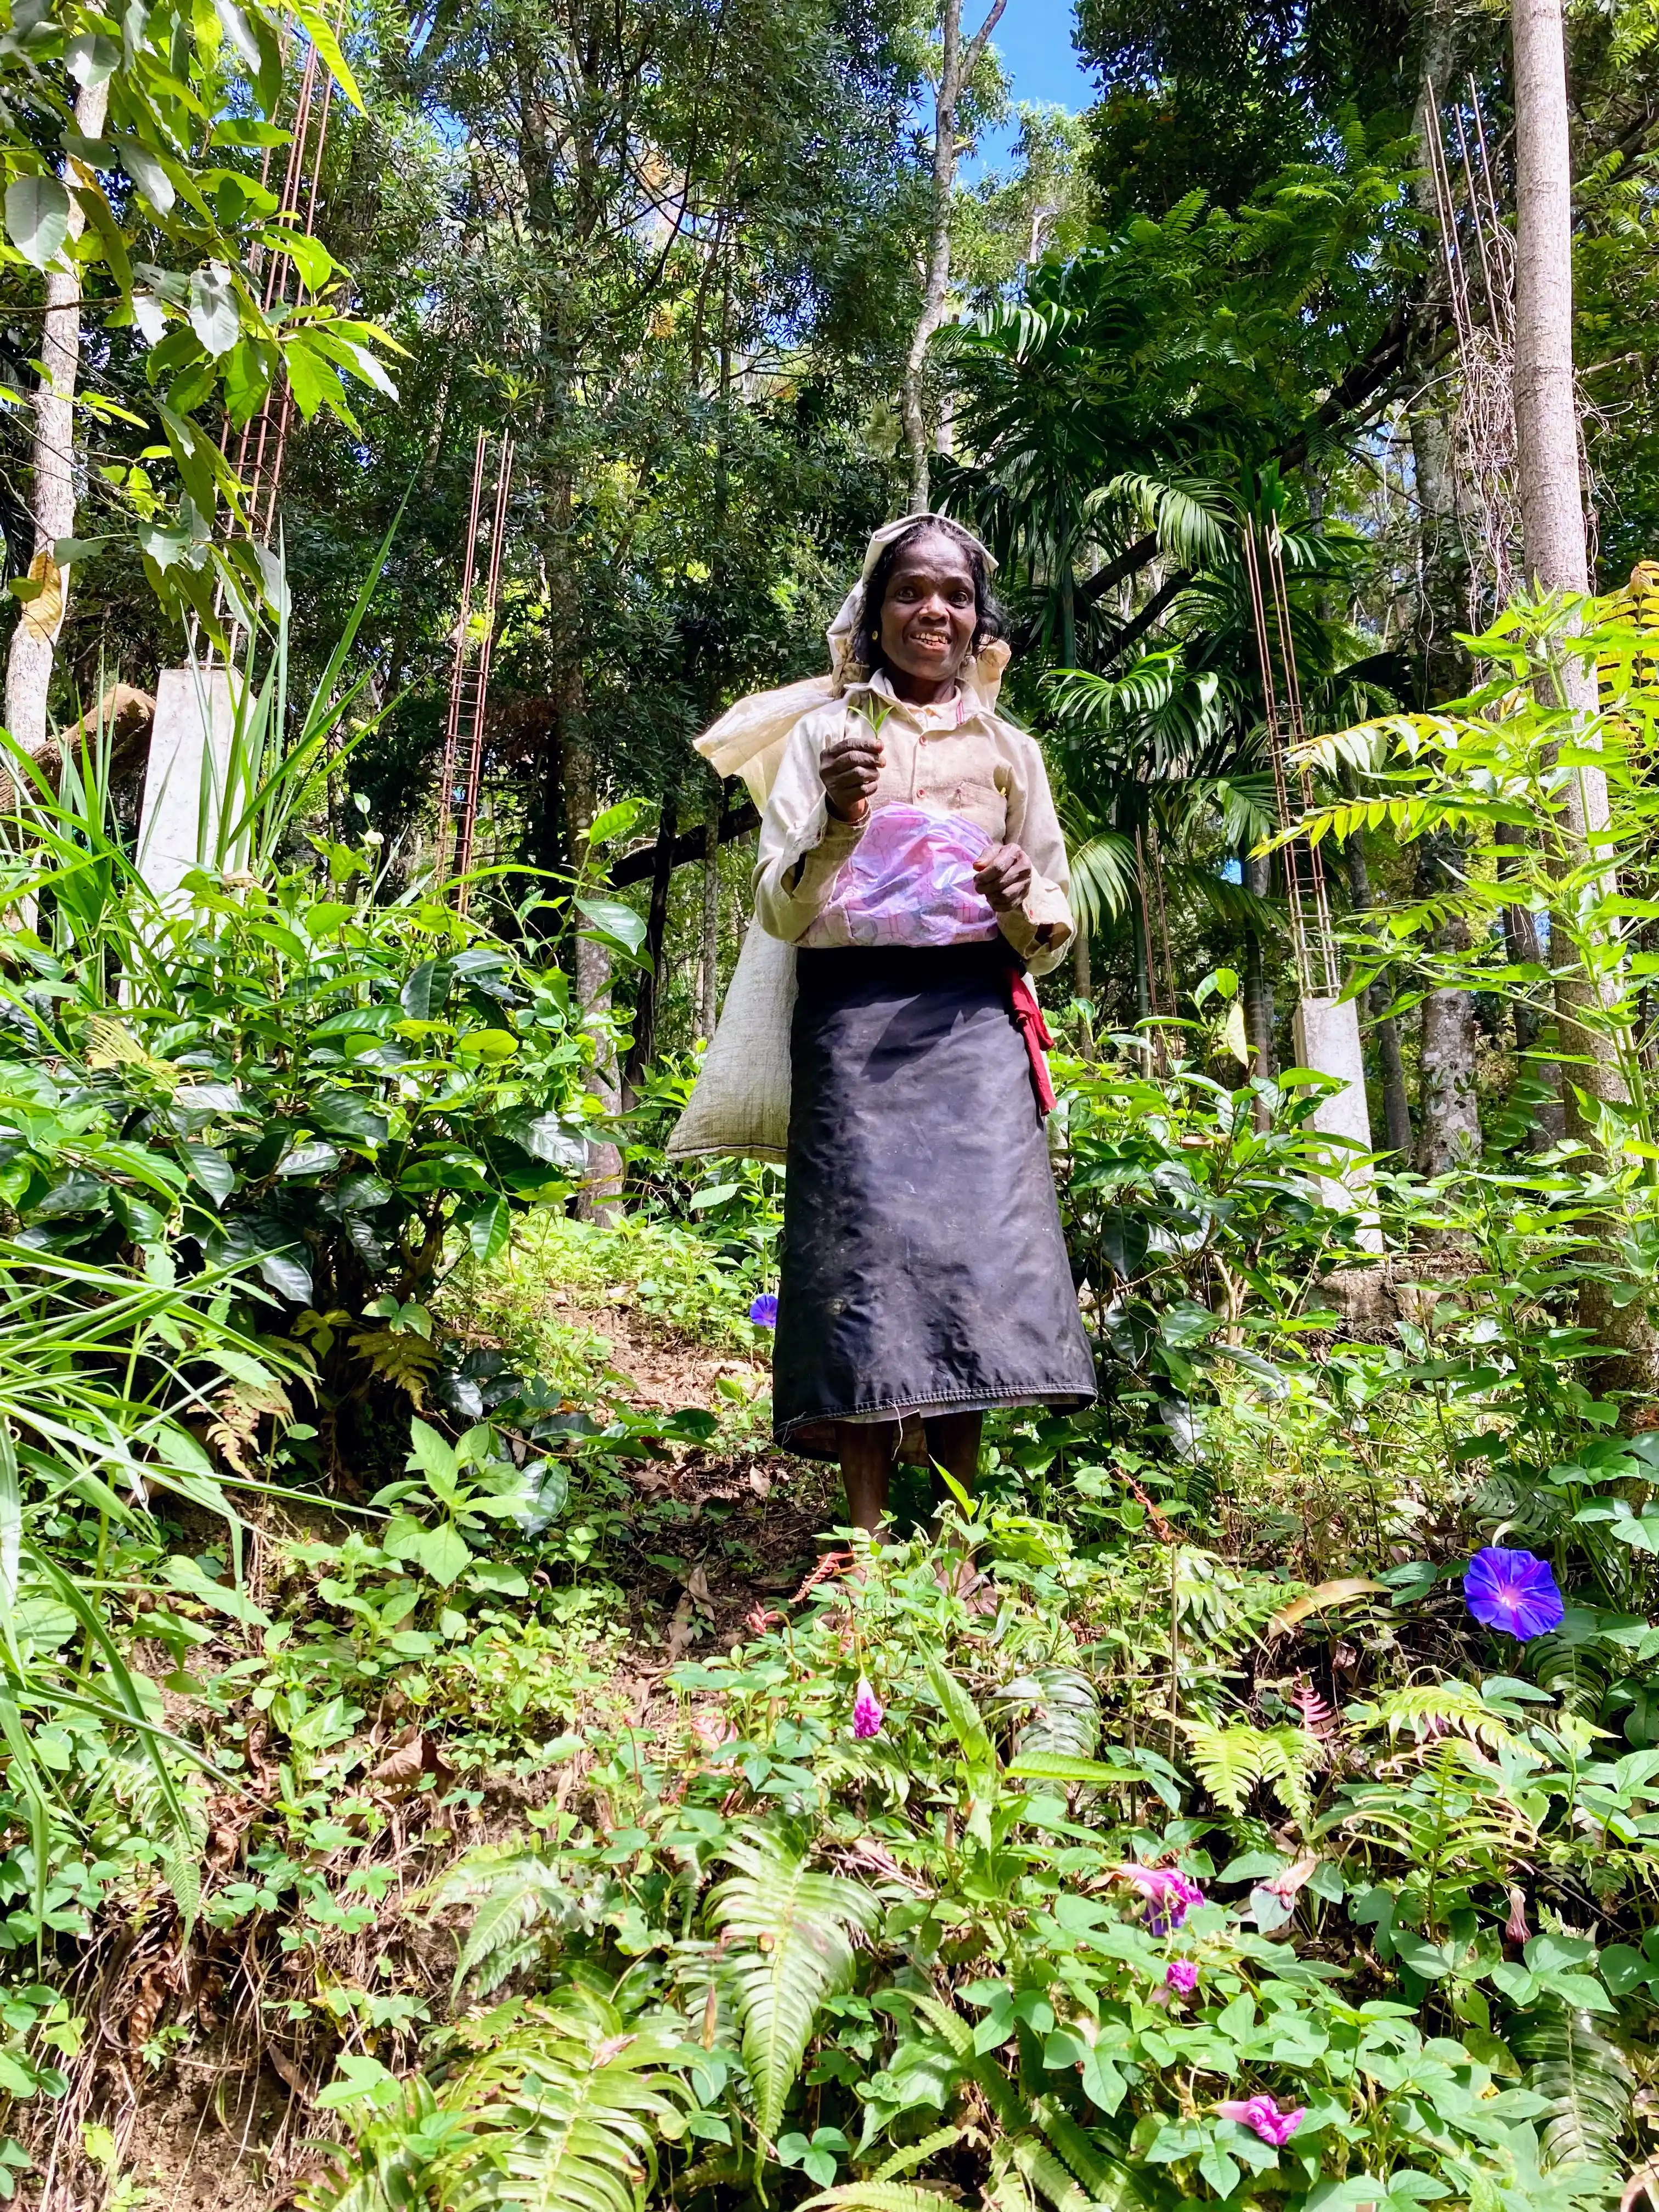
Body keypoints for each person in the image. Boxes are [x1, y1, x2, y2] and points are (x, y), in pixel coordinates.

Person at [752, 514, 1096, 1534]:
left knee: (971, 1267)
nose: (931, 610)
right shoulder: (824, 738)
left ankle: (954, 1538)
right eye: (909, 591)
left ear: (977, 617)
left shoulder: (1010, 752)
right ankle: (860, 1542)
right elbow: (778, 909)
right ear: (874, 611)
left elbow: (1054, 925)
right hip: (852, 1025)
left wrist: (1015, 902)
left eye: (953, 593)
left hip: (973, 1024)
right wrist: (836, 824)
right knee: (860, 1262)